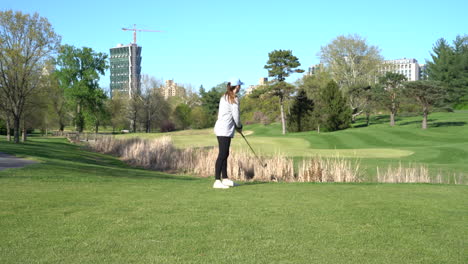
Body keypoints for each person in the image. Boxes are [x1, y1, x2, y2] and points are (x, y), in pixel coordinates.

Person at [213, 78, 244, 189]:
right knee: (222, 154)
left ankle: (225, 179)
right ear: (237, 86)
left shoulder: (224, 97)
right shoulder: (234, 99)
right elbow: (236, 116)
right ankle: (217, 180)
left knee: (225, 154)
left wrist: (236, 126)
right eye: (239, 86)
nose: (240, 87)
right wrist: (239, 126)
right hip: (224, 129)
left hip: (222, 128)